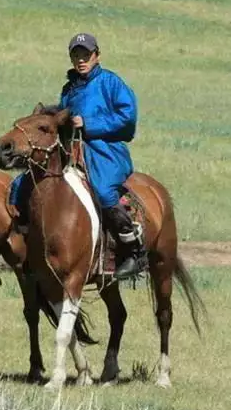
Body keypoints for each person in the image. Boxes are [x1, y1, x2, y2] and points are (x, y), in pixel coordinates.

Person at [11, 33, 145, 279]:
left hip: (104, 151)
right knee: (25, 183)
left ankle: (133, 250)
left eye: (87, 55)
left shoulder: (111, 82)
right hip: (71, 150)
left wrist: (89, 123)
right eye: (76, 55)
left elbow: (128, 120)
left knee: (104, 191)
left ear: (97, 55)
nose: (81, 60)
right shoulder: (69, 88)